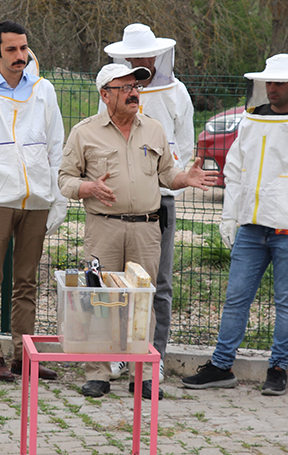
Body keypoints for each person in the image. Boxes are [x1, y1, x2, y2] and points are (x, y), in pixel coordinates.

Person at [181, 54, 288, 396]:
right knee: (235, 298)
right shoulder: (251, 121)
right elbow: (236, 172)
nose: (272, 88)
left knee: (287, 302)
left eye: (279, 82)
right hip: (251, 229)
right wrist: (229, 216)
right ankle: (221, 366)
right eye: (269, 82)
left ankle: (278, 368)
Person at [59, 63, 217, 399]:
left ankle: (142, 374)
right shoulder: (84, 132)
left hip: (146, 228)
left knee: (143, 301)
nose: (134, 93)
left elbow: (168, 174)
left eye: (136, 87)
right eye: (125, 88)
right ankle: (98, 374)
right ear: (105, 95)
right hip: (104, 227)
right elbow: (64, 180)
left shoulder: (154, 129)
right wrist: (88, 188)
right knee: (100, 298)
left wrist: (184, 179)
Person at [0, 20, 66, 382]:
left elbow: (55, 148)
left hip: (36, 200)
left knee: (27, 282)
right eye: (11, 50)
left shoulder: (44, 90)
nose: (19, 56)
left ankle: (24, 356)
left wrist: (58, 198)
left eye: (23, 48)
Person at [100, 23, 194, 385]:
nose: (142, 63)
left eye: (146, 57)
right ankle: (118, 356)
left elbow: (184, 145)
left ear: (156, 56)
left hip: (161, 202)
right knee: (115, 282)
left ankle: (153, 358)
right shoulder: (112, 93)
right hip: (119, 203)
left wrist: (164, 176)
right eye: (134, 58)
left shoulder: (176, 92)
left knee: (158, 284)